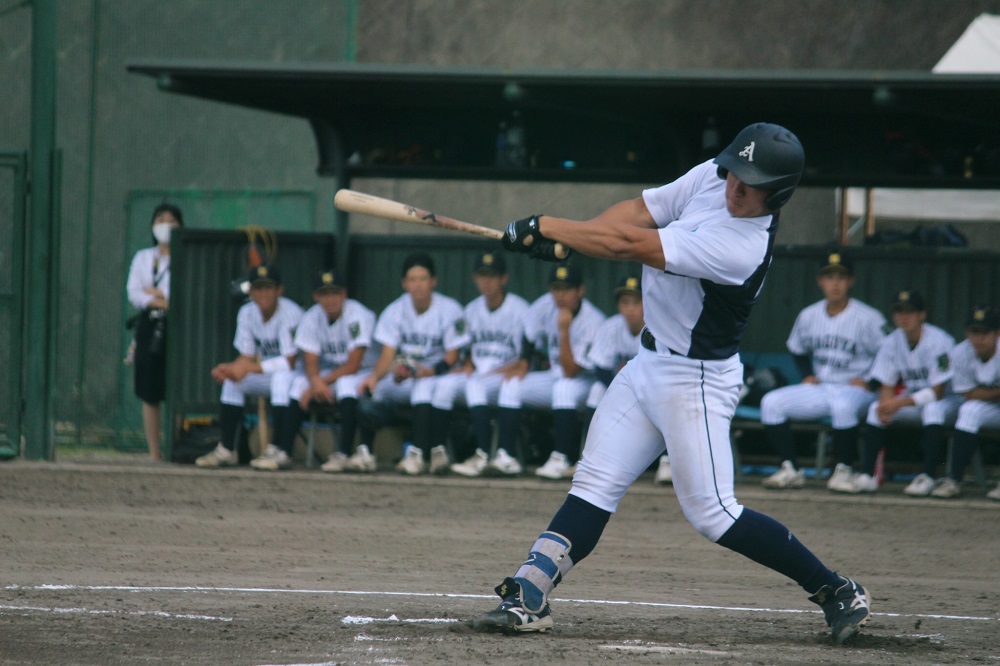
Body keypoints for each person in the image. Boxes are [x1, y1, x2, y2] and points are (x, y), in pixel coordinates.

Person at [473, 122, 871, 645]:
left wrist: (549, 226)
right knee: (592, 484)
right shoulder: (715, 175)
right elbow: (637, 213)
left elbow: (629, 243)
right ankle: (529, 591)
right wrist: (572, 240)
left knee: (713, 514)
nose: (734, 186)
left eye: (749, 184)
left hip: (696, 382)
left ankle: (835, 588)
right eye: (734, 171)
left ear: (777, 196)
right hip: (647, 362)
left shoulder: (742, 246)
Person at [758, 252, 888, 491]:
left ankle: (844, 470)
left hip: (855, 390)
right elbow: (797, 348)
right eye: (829, 277)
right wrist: (807, 374)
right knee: (771, 402)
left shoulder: (869, 317)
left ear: (851, 281)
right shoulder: (809, 315)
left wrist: (872, 382)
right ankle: (790, 469)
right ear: (820, 281)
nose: (835, 283)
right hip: (822, 387)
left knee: (843, 406)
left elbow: (890, 353)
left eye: (841, 277)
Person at [836, 290, 961, 495]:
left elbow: (938, 392)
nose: (904, 317)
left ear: (922, 315)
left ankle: (928, 476)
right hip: (914, 401)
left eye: (910, 311)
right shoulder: (892, 340)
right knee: (876, 408)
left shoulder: (939, 340)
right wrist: (886, 405)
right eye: (899, 312)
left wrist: (897, 403)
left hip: (949, 402)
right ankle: (868, 475)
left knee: (933, 410)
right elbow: (886, 382)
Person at [356, 252, 471, 475]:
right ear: (404, 283)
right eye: (413, 279)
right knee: (371, 392)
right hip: (408, 374)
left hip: (440, 374)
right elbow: (388, 356)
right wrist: (374, 378)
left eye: (423, 278)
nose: (418, 285)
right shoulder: (395, 310)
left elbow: (452, 356)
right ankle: (364, 453)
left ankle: (419, 454)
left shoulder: (449, 309)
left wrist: (430, 372)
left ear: (433, 281)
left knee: (424, 387)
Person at [501, 263, 605, 480]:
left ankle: (562, 458)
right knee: (511, 386)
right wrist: (523, 361)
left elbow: (571, 371)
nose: (560, 295)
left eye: (566, 289)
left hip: (584, 382)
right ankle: (506, 456)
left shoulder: (594, 320)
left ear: (580, 290)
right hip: (554, 378)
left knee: (564, 388)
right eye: (556, 289)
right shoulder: (547, 304)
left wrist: (564, 331)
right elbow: (528, 329)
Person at [432, 251, 530, 478]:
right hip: (481, 373)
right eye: (482, 275)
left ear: (503, 278)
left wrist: (505, 369)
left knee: (475, 385)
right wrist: (466, 363)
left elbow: (527, 354)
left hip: (505, 374)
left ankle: (483, 453)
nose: (487, 281)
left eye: (492, 275)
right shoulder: (471, 309)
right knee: (444, 384)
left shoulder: (521, 309)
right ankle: (438, 452)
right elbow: (467, 349)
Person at [196, 265, 304, 470]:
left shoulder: (290, 313)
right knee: (233, 382)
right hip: (268, 372)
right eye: (258, 288)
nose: (263, 293)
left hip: (298, 374)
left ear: (279, 290)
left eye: (268, 288)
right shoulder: (247, 312)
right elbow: (246, 357)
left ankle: (278, 451)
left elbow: (290, 361)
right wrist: (230, 369)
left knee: (281, 377)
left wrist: (248, 369)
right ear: (251, 292)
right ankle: (227, 450)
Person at [286, 269, 378, 473]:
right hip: (332, 373)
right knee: (298, 384)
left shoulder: (357, 315)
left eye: (335, 293)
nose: (331, 299)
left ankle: (343, 453)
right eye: (325, 294)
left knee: (346, 384)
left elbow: (354, 365)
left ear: (344, 294)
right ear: (316, 296)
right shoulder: (312, 317)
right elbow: (310, 361)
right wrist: (315, 382)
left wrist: (320, 382)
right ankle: (283, 451)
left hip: (365, 372)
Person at [581, 275, 663, 483]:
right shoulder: (611, 327)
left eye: (636, 302)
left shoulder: (660, 330)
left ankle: (667, 461)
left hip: (653, 391)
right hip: (624, 389)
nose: (630, 309)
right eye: (625, 303)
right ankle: (588, 457)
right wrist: (621, 392)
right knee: (596, 391)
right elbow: (600, 368)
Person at [125, 203, 183, 461]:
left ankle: (177, 448)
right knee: (150, 391)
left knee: (178, 387)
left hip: (178, 325)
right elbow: (134, 293)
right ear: (152, 226)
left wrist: (156, 292)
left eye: (172, 221)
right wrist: (159, 299)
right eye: (161, 220)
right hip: (150, 326)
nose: (166, 226)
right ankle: (154, 452)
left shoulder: (185, 256)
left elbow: (180, 295)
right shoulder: (143, 257)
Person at [932, 305, 1000, 500]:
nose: (978, 338)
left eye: (984, 333)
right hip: (989, 406)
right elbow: (968, 395)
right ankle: (954, 480)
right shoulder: (961, 352)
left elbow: (975, 392)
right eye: (974, 332)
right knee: (969, 411)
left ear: (997, 333)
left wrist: (986, 393)